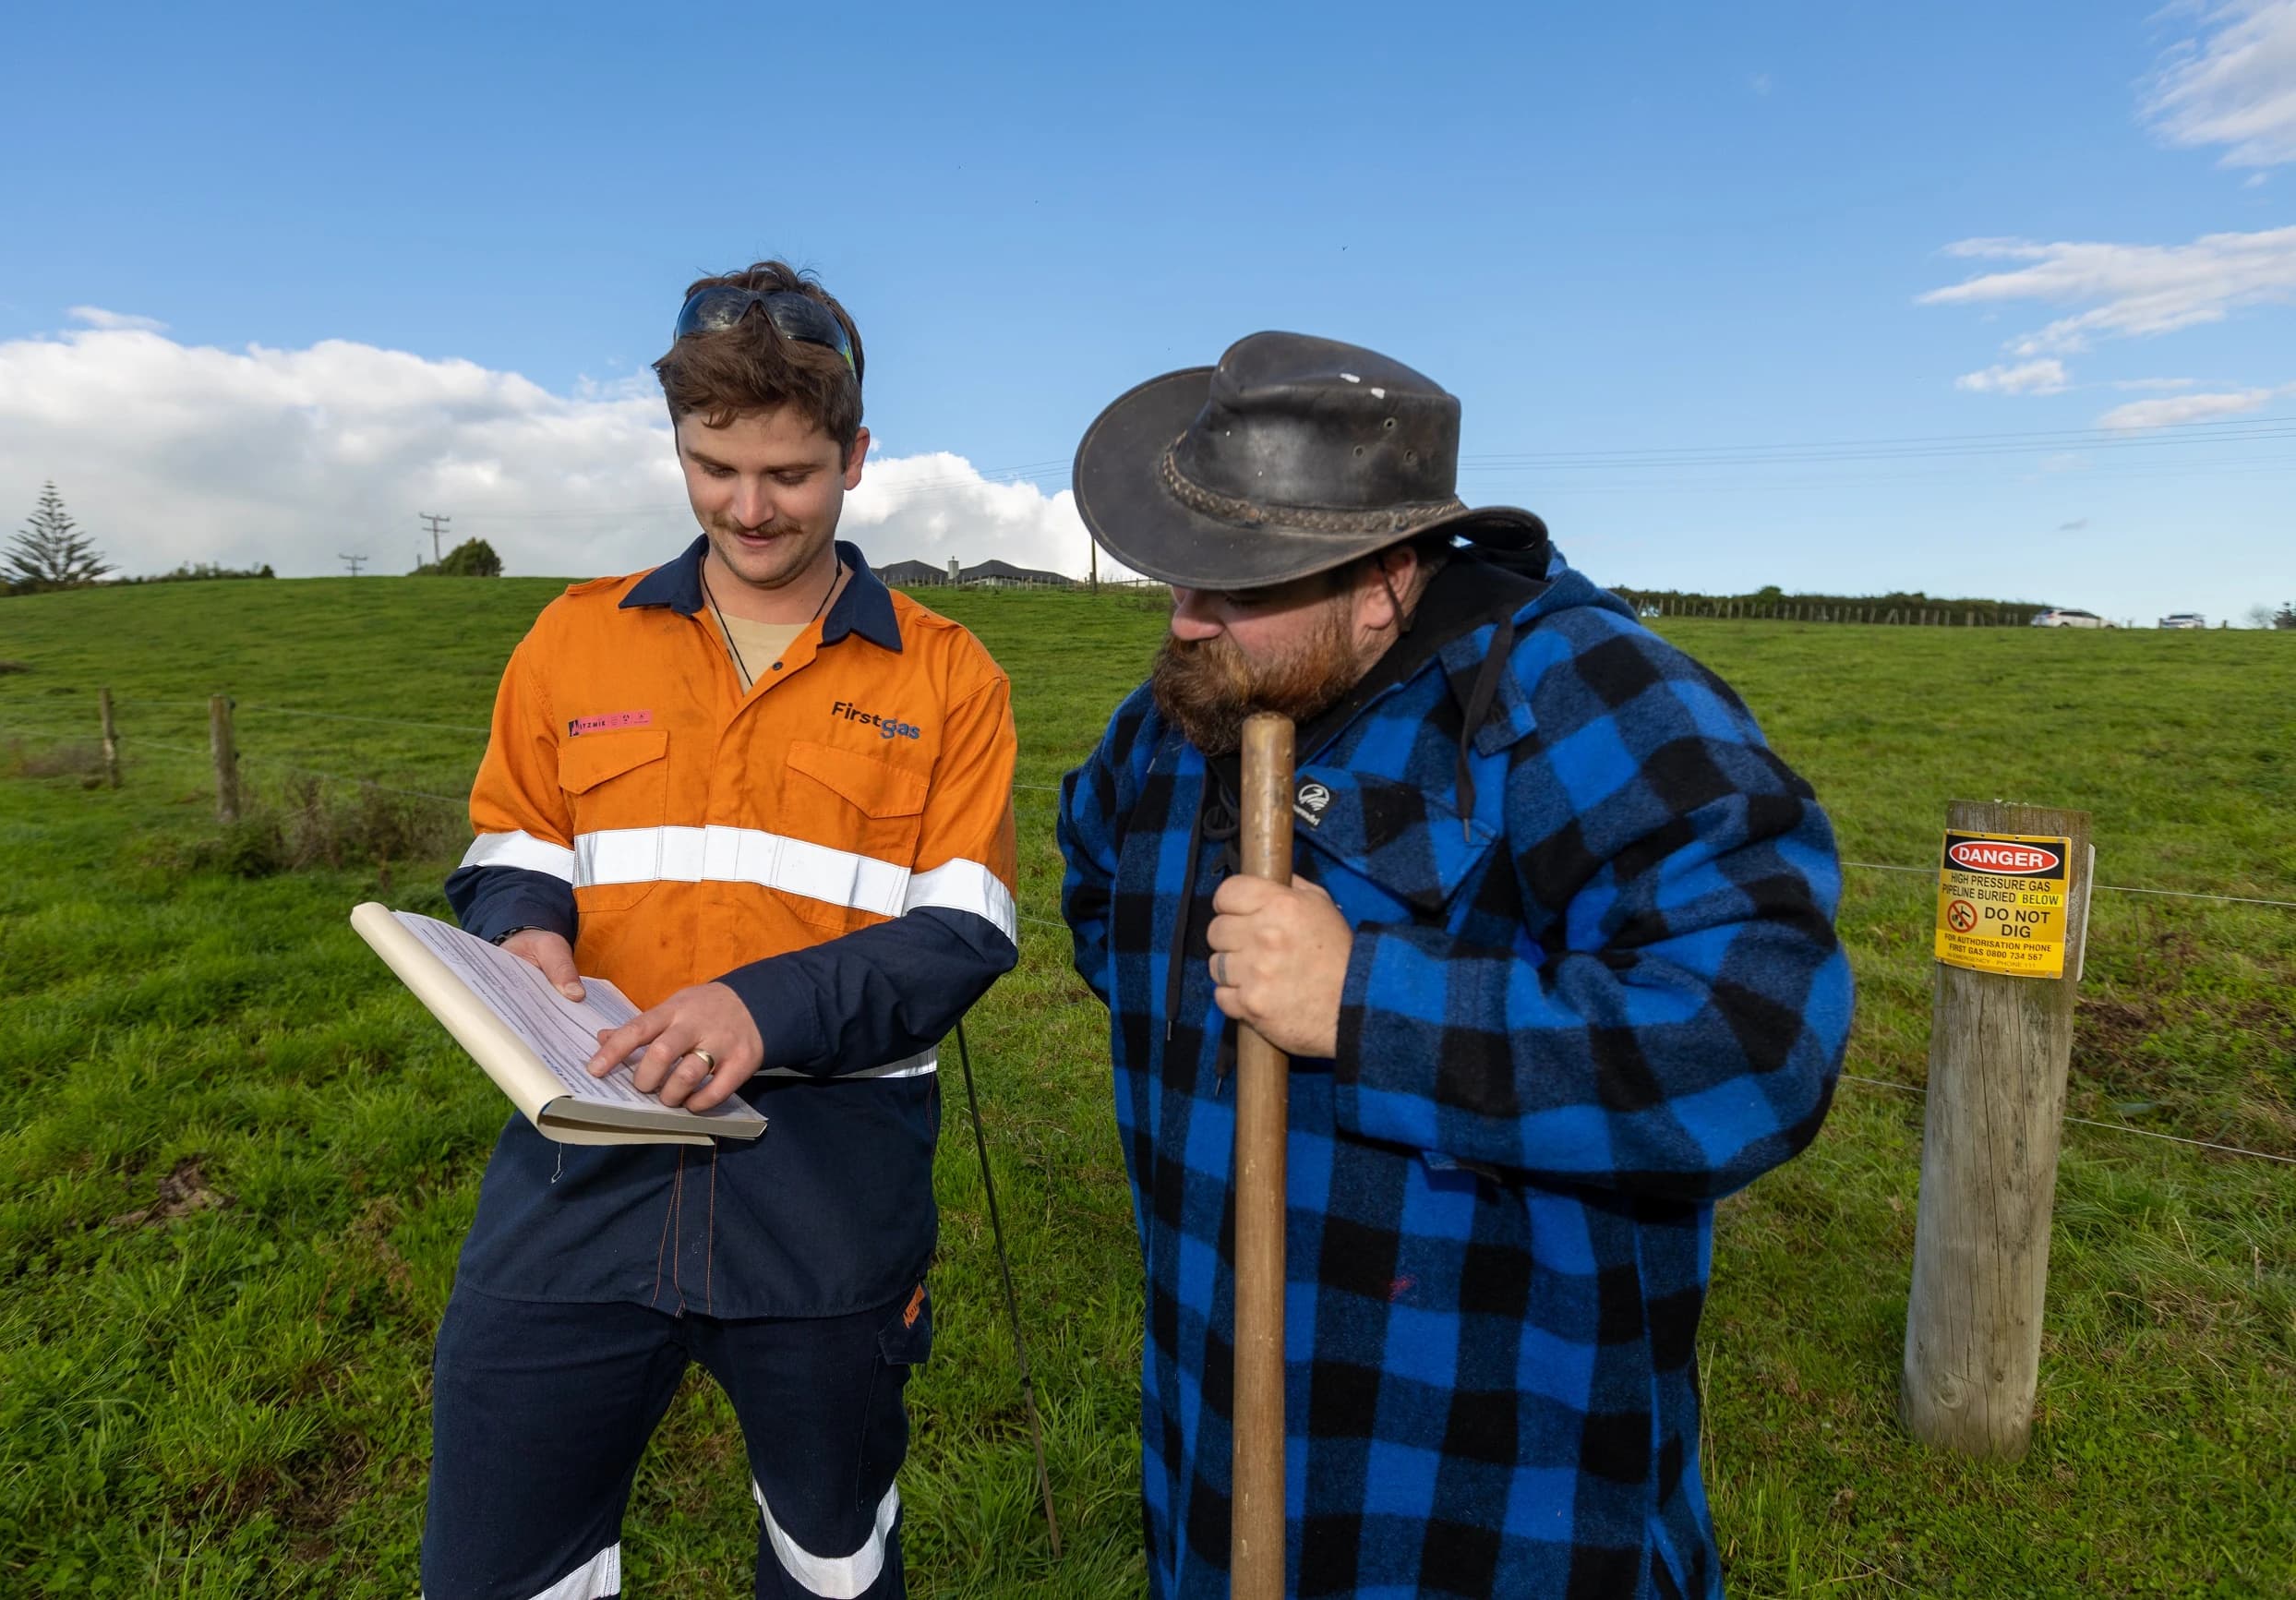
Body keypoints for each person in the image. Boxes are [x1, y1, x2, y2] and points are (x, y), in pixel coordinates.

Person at [1057, 331, 1851, 1598]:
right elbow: (1099, 880)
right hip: (1219, 1450)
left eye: (1237, 583)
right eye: (1179, 571)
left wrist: (1369, 1007)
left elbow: (1761, 1036)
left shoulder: (1572, 695)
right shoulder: (1179, 710)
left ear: (1381, 577)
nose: (1184, 616)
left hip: (1489, 1502)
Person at [427, 261, 1019, 1600]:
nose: (749, 508)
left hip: (827, 1202)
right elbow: (513, 843)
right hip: (576, 1174)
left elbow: (963, 934)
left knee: (830, 1561)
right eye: (713, 467)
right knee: (495, 1566)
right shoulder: (571, 641)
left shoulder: (949, 673)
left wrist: (763, 1010)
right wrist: (526, 935)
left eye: (792, 475)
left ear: (857, 457)